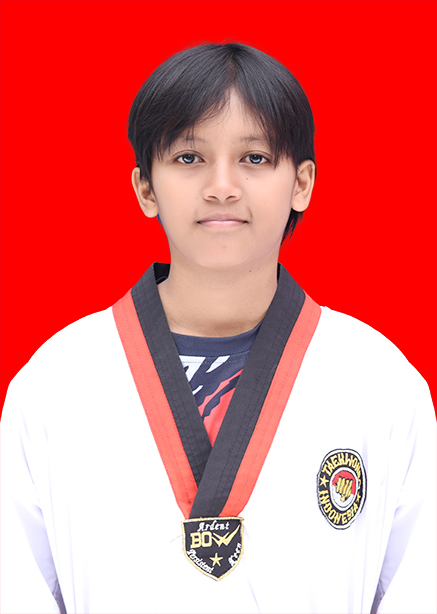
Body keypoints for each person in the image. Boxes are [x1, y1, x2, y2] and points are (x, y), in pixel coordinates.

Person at [1, 42, 435, 614]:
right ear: (145, 188)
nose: (222, 186)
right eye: (189, 158)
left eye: (254, 157)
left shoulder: (380, 384)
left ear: (302, 183)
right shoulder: (57, 383)